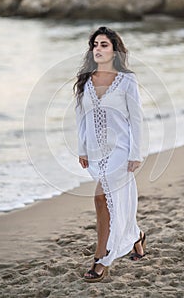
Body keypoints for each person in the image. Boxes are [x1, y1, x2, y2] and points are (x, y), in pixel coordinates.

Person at [73, 26, 146, 283]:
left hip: (120, 150)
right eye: (95, 44)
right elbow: (81, 118)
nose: (98, 49)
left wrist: (136, 153)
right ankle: (136, 236)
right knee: (114, 199)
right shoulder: (86, 79)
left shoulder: (127, 80)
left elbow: (137, 119)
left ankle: (101, 257)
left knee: (102, 198)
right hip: (95, 151)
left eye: (104, 44)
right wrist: (82, 149)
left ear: (115, 50)